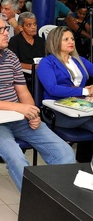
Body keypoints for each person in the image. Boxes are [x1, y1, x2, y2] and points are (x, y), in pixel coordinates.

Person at [0, 15, 75, 191]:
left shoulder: (10, 57)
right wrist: (18, 107)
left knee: (64, 152)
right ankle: (35, 207)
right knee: (17, 158)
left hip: (19, 118)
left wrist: (33, 113)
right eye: (0, 30)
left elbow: (23, 92)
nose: (7, 33)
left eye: (6, 29)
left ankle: (61, 200)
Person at [37, 26, 93, 162]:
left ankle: (85, 165)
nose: (71, 42)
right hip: (58, 112)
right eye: (66, 39)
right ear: (55, 41)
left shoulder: (79, 60)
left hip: (81, 108)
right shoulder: (46, 63)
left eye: (72, 39)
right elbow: (52, 89)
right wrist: (85, 91)